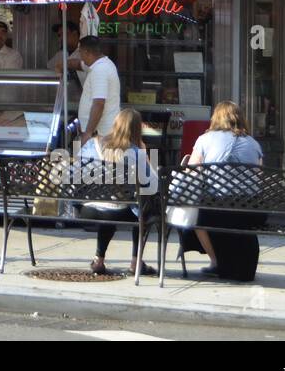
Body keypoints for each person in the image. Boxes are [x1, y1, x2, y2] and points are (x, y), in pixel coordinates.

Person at [174, 101, 265, 281]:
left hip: (217, 211)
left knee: (195, 216)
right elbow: (259, 178)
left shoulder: (205, 140)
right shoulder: (253, 144)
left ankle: (216, 262)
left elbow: (192, 173)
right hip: (249, 212)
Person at [78, 107, 158, 276]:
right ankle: (136, 262)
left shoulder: (92, 145)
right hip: (119, 211)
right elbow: (153, 184)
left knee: (110, 205)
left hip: (89, 209)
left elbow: (75, 173)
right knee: (142, 208)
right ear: (137, 129)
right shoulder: (136, 152)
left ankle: (98, 260)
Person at [76, 36, 121, 144]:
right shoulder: (104, 64)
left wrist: (88, 133)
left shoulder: (100, 70)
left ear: (87, 52)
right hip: (101, 133)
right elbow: (78, 64)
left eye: (80, 52)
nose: (80, 56)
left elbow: (99, 103)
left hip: (101, 135)